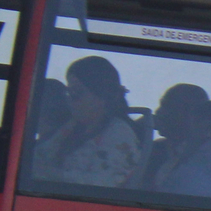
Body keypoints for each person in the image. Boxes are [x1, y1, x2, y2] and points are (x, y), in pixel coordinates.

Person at [30, 56, 142, 187]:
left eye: (77, 93)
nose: (70, 100)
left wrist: (55, 175)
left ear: (102, 96)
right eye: (69, 93)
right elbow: (39, 156)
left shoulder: (119, 133)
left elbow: (105, 183)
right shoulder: (71, 127)